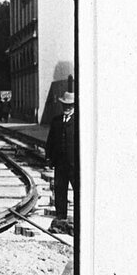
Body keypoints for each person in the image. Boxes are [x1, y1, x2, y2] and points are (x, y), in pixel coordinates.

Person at [46, 91, 78, 233]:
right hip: (60, 163)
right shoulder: (56, 121)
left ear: (74, 106)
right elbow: (50, 141)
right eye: (65, 105)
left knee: (78, 190)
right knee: (60, 190)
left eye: (70, 105)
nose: (67, 108)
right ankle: (61, 216)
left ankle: (80, 216)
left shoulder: (79, 121)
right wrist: (49, 158)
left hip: (74, 164)